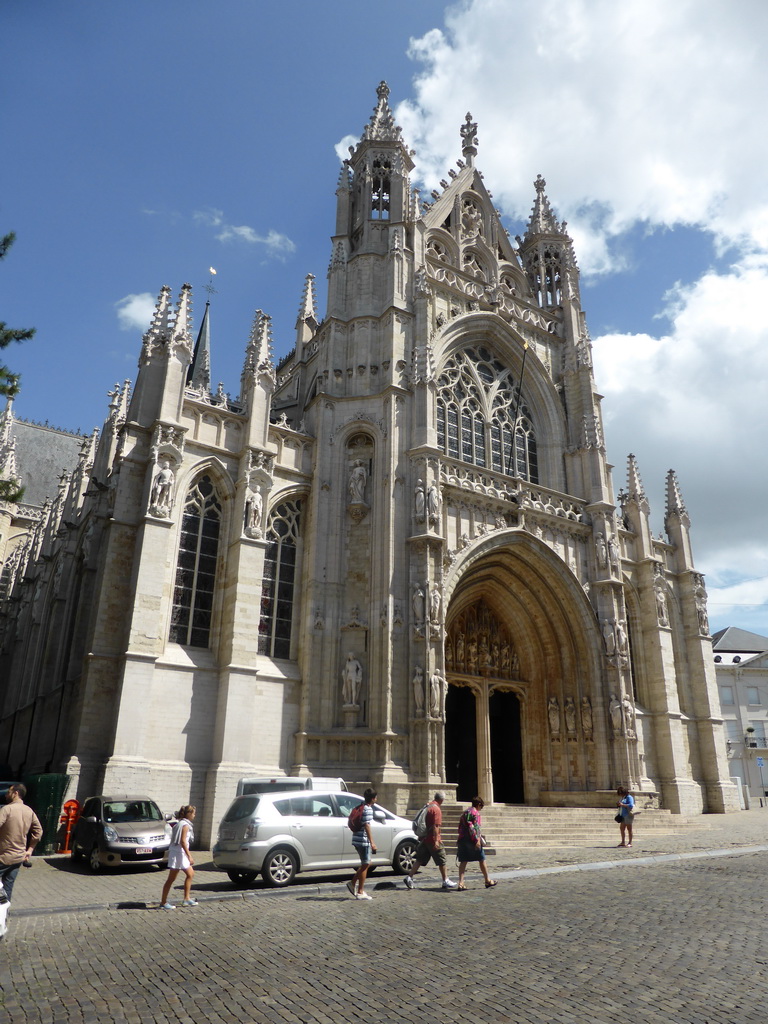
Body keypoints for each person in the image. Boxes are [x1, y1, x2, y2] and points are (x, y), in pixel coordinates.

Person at [404, 791, 456, 890]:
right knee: (442, 860)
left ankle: (409, 877)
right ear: (442, 800)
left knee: (419, 859)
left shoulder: (428, 806)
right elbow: (436, 826)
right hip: (432, 839)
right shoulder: (436, 809)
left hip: (424, 839)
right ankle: (445, 880)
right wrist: (436, 840)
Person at [0, 783, 43, 902]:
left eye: (9, 792)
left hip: (4, 856)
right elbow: (38, 831)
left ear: (16, 793)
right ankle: (3, 915)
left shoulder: (7, 809)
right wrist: (30, 850)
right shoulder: (29, 811)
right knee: (8, 887)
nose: (6, 794)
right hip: (18, 857)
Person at [160, 805, 197, 908]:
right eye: (193, 813)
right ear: (188, 814)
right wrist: (189, 856)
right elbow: (183, 842)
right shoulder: (185, 825)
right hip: (178, 854)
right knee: (171, 879)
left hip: (180, 853)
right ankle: (163, 902)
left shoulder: (180, 823)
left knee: (190, 874)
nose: (194, 815)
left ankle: (186, 899)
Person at [456, 796, 496, 890]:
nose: (480, 809)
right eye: (481, 807)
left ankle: (461, 883)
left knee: (463, 861)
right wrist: (477, 840)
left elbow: (460, 826)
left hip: (462, 838)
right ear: (478, 805)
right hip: (472, 839)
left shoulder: (465, 812)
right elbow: (475, 827)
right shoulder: (475, 813)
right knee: (482, 859)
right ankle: (487, 880)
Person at [347, 788, 377, 901]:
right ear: (373, 798)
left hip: (356, 839)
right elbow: (367, 826)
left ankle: (352, 883)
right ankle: (360, 891)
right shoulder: (368, 809)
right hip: (363, 841)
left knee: (367, 863)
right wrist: (372, 842)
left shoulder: (361, 806)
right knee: (365, 864)